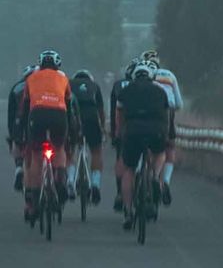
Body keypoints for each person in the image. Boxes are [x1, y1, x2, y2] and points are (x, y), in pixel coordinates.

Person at [16, 49, 75, 223]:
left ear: (40, 65)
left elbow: (25, 109)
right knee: (59, 147)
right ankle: (60, 180)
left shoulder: (31, 79)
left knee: (35, 155)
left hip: (38, 115)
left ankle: (35, 196)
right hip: (59, 115)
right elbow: (69, 106)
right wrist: (70, 131)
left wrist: (23, 133)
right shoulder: (63, 79)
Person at [114, 60, 169, 229]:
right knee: (160, 153)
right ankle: (154, 177)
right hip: (156, 130)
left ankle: (128, 210)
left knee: (129, 169)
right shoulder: (160, 91)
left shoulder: (125, 91)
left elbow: (119, 117)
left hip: (133, 131)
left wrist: (119, 134)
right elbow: (166, 115)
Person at [142, 50, 183, 205]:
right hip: (167, 116)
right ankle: (164, 180)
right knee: (169, 148)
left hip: (145, 117)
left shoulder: (143, 77)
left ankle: (146, 175)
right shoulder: (169, 75)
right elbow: (179, 104)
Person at [69, 69, 105, 204]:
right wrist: (102, 128)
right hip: (91, 119)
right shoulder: (95, 86)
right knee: (96, 151)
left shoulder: (68, 83)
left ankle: (70, 181)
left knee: (69, 151)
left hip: (74, 119)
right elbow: (100, 110)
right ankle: (95, 184)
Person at [109, 58, 139, 212]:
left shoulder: (118, 86)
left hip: (125, 130)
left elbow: (114, 111)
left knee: (123, 162)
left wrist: (114, 133)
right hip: (146, 128)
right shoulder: (143, 86)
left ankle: (121, 194)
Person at [6, 65, 35, 191]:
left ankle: (18, 168)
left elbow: (10, 114)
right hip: (39, 120)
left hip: (19, 121)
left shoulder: (16, 87)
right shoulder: (42, 84)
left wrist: (12, 134)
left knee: (18, 144)